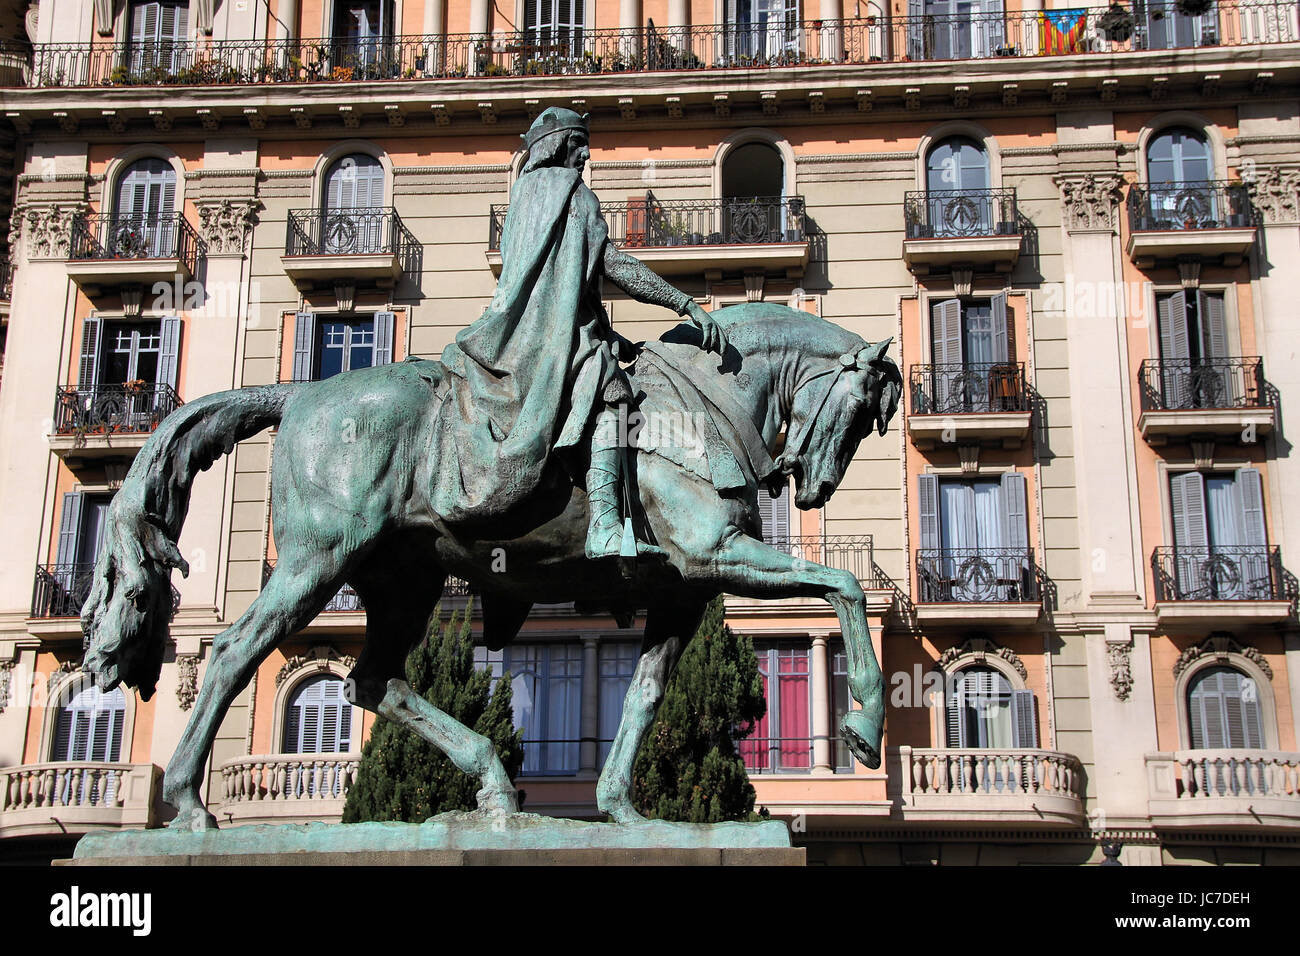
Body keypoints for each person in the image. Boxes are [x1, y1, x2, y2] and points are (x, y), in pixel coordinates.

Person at [437, 107, 727, 559]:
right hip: (549, 346)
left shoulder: (523, 197)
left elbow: (561, 287)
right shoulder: (571, 192)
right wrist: (685, 303)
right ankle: (606, 527)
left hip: (517, 338)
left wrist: (607, 331)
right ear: (558, 147)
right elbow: (613, 265)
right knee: (611, 392)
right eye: (578, 143)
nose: (586, 153)